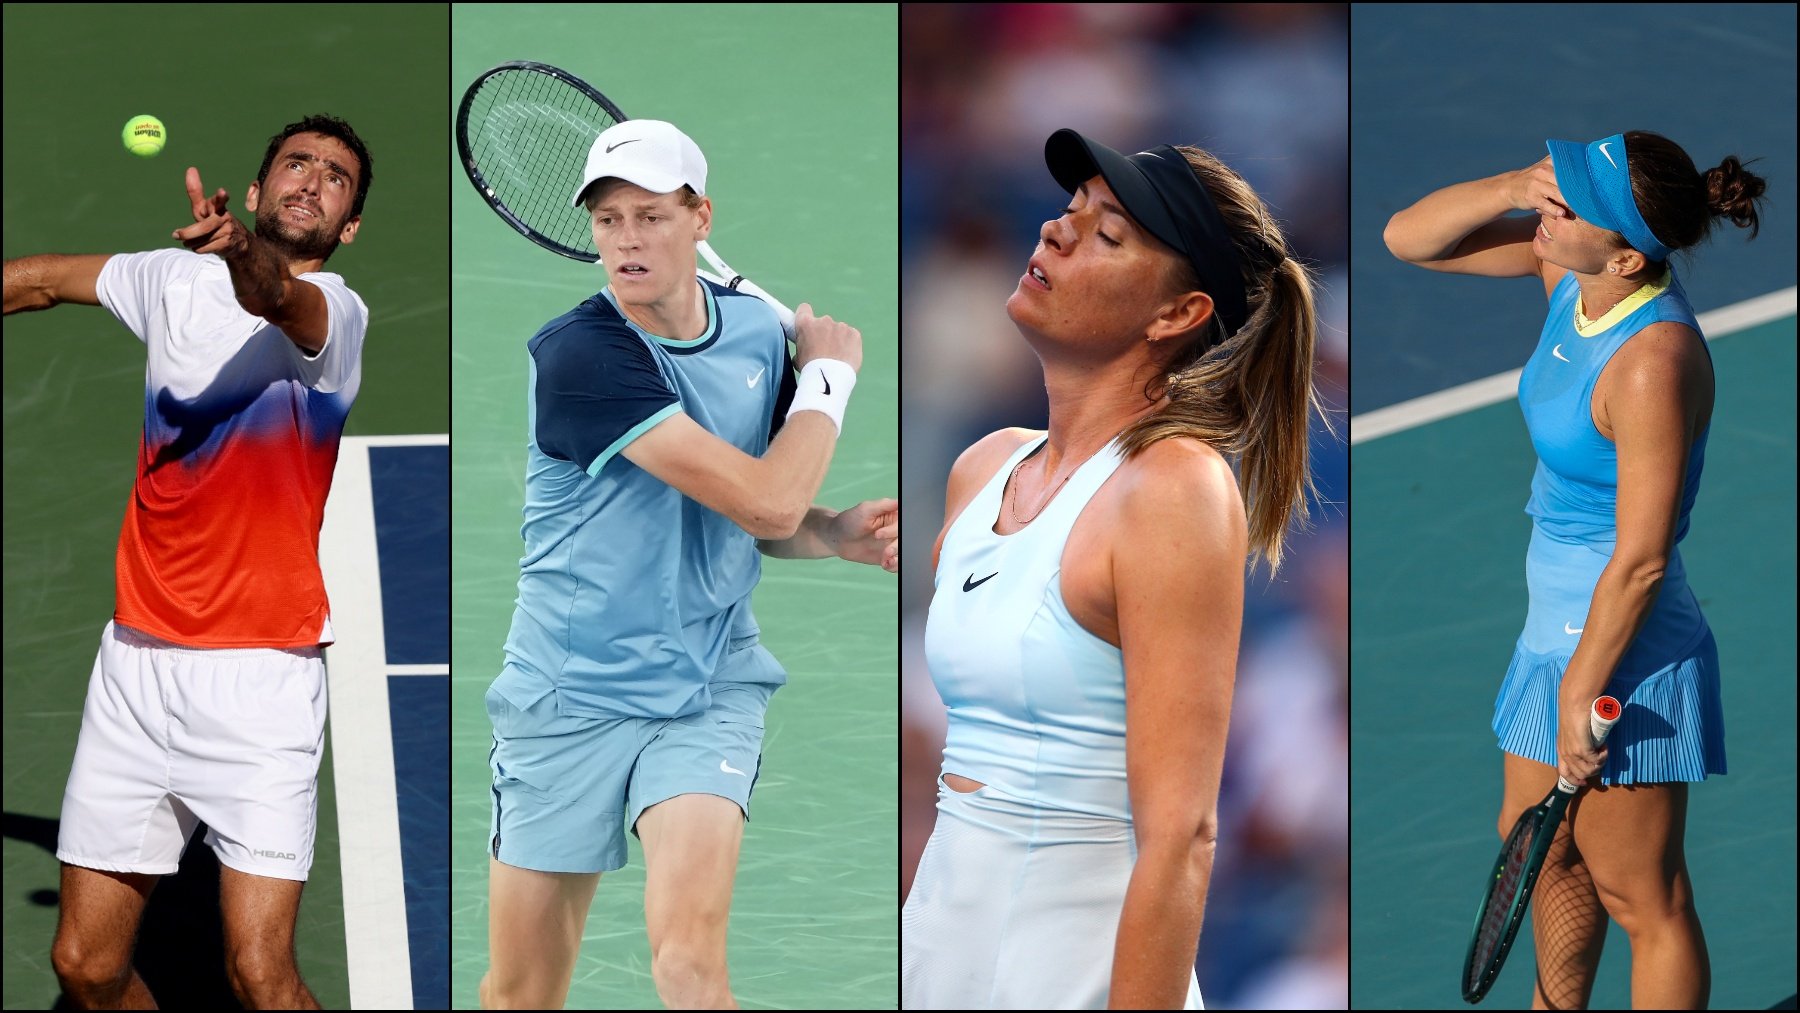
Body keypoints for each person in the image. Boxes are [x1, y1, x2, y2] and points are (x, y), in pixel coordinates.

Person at [478, 119, 897, 1010]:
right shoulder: (582, 358)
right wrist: (829, 382)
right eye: (608, 219)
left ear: (700, 218)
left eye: (651, 216)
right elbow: (763, 499)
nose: (626, 240)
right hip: (568, 695)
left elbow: (766, 513)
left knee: (688, 967)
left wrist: (830, 532)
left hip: (706, 688)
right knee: (521, 992)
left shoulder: (752, 335)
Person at [901, 128, 1324, 1009]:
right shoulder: (982, 467)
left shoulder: (1175, 489)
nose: (1056, 231)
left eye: (1108, 234)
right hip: (936, 947)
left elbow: (1184, 835)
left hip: (1072, 973)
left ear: (1176, 315)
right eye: (1069, 210)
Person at [1384, 131, 1765, 1009]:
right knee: (1542, 847)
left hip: (1620, 652)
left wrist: (1578, 689)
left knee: (1646, 898)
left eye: (1572, 201)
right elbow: (1407, 237)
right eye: (1554, 188)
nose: (1549, 207)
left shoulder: (1651, 364)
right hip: (1550, 637)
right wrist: (1512, 181)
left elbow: (1640, 559)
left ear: (1627, 254)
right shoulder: (1571, 279)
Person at [2, 113, 374, 1009]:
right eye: (296, 163)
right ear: (255, 188)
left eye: (334, 178)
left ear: (349, 226)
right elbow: (44, 283)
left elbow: (275, 298)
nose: (311, 180)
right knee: (86, 968)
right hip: (134, 667)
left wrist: (243, 252)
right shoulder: (171, 279)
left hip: (260, 683)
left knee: (260, 973)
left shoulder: (334, 315)